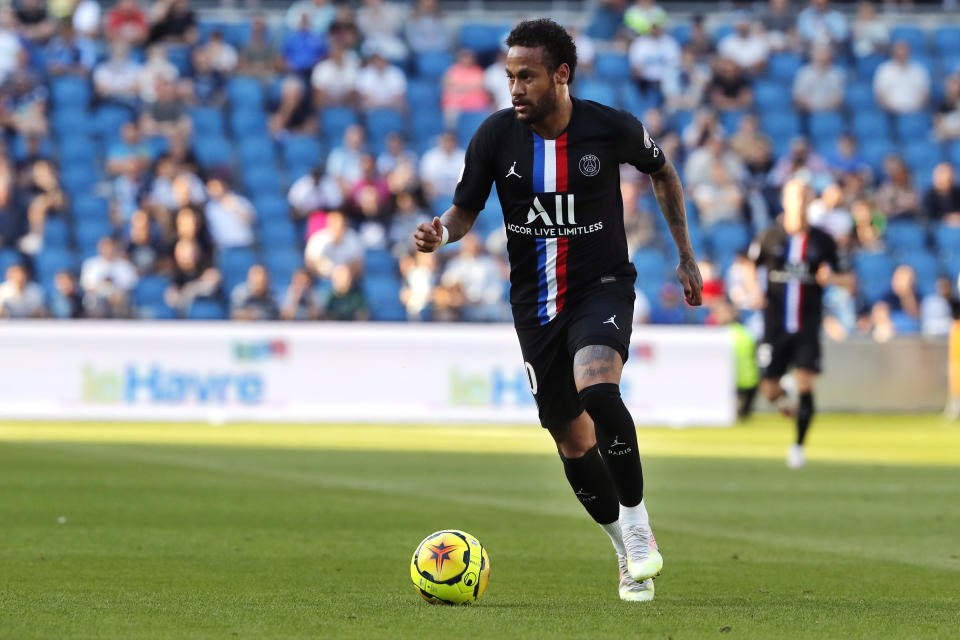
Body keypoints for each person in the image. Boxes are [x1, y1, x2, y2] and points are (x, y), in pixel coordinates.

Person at [413, 19, 702, 603]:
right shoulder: (495, 137)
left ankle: (640, 526)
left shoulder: (609, 128)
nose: (515, 88)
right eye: (509, 77)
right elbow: (465, 210)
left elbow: (663, 172)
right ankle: (623, 551)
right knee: (572, 442)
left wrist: (686, 256)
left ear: (561, 75)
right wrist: (441, 231)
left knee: (598, 387)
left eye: (528, 76)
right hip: (535, 306)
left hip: (602, 286)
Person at [749, 179, 850, 469]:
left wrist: (832, 279)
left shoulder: (823, 240)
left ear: (811, 201)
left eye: (806, 196)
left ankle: (798, 446)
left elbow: (849, 279)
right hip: (775, 323)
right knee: (769, 389)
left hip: (807, 322)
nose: (800, 201)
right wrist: (753, 290)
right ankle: (785, 396)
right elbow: (748, 263)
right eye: (795, 195)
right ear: (785, 200)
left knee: (807, 382)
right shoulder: (770, 235)